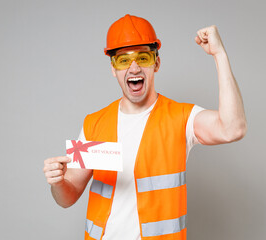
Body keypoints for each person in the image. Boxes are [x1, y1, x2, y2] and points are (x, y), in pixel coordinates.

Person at [43, 14, 247, 240]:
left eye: (143, 58)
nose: (134, 68)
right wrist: (58, 182)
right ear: (113, 69)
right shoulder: (94, 123)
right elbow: (66, 198)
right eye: (123, 60)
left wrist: (219, 55)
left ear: (156, 63)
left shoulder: (181, 117)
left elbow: (233, 129)